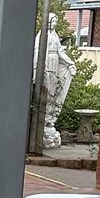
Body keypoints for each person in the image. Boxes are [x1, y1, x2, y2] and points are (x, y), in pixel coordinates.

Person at [33, 13, 77, 148]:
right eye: (52, 21)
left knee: (54, 92)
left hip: (55, 63)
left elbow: (60, 52)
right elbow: (38, 51)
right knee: (46, 92)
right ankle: (43, 119)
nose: (54, 24)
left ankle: (49, 119)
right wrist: (41, 66)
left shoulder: (55, 35)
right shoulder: (42, 35)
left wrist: (70, 64)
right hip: (47, 64)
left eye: (55, 22)